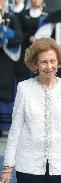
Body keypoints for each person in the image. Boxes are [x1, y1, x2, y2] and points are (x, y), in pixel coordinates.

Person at [1, 37, 61, 183]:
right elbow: (15, 130)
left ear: (58, 61)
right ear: (35, 64)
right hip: (28, 164)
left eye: (53, 61)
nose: (49, 66)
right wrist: (8, 167)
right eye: (43, 62)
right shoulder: (24, 88)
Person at [0, 0, 23, 135]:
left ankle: (5, 125)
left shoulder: (11, 17)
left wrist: (7, 39)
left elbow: (19, 36)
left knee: (5, 92)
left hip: (6, 61)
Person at [16, 0, 47, 83]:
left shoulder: (48, 15)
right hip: (24, 53)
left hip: (42, 54)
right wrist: (28, 38)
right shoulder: (22, 15)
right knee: (23, 80)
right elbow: (18, 33)